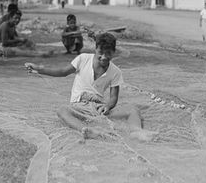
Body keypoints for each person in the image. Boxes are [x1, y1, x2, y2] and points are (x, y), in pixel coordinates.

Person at [25, 32, 157, 141]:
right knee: (62, 111)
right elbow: (62, 72)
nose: (104, 57)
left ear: (114, 52)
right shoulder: (83, 59)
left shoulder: (116, 72)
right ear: (95, 49)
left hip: (98, 109)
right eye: (101, 52)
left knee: (133, 109)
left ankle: (137, 132)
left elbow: (113, 97)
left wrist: (107, 106)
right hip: (79, 107)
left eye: (108, 53)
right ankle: (87, 130)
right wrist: (39, 69)